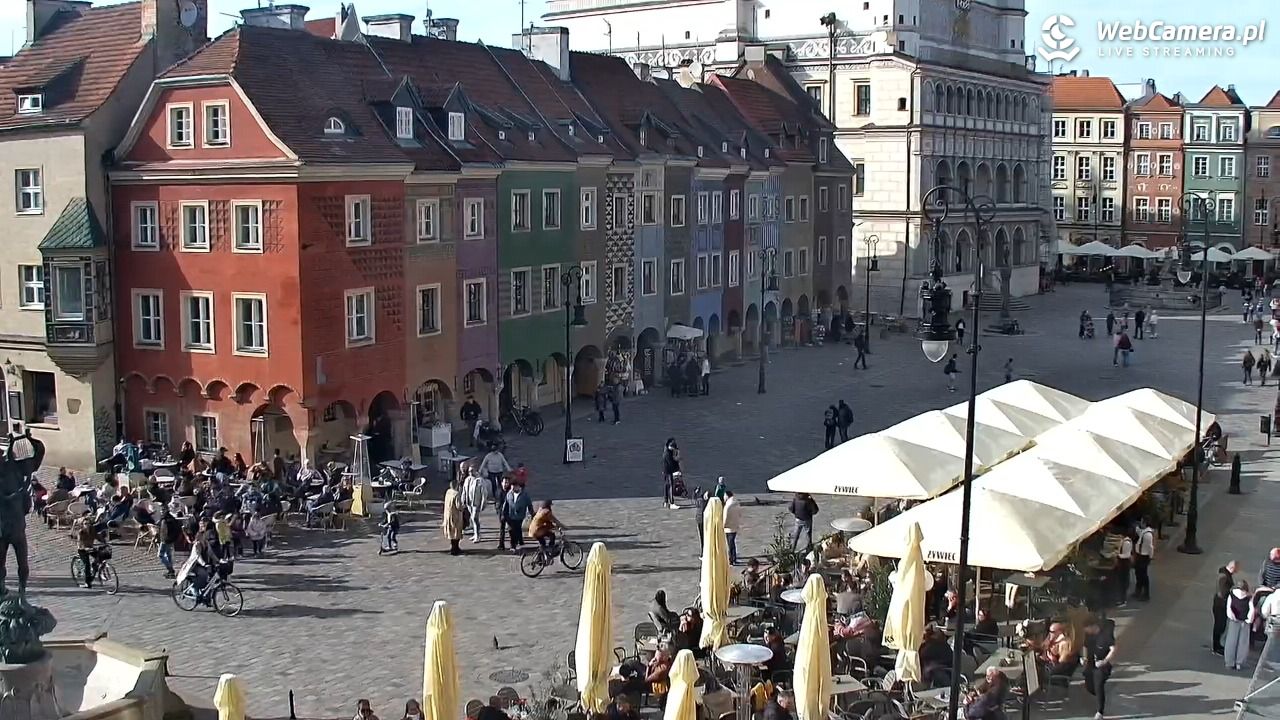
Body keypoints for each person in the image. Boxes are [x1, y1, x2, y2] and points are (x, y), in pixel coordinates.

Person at [1082, 615, 1117, 719]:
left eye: (1087, 629)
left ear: (1093, 626)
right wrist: (1084, 657)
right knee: (1089, 686)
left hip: (1102, 665)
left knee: (1098, 686)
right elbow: (1085, 646)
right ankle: (1098, 696)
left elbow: (1113, 649)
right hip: (1091, 664)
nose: (1087, 631)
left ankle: (1099, 711)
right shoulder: (1089, 635)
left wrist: (1105, 661)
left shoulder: (1105, 635)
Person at [1214, 560, 1238, 655]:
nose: (1236, 572)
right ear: (1232, 568)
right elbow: (1222, 592)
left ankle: (1217, 644)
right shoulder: (1224, 577)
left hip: (1220, 603)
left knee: (1220, 625)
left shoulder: (1224, 574)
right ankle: (1216, 646)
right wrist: (1231, 592)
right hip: (1220, 605)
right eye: (1235, 570)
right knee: (1220, 625)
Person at [503, 482, 534, 550]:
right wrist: (504, 514)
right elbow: (506, 504)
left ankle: (518, 541)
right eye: (512, 486)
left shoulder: (525, 496)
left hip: (520, 516)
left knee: (517, 529)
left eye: (514, 486)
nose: (513, 488)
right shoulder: (509, 494)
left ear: (519, 487)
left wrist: (532, 515)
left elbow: (529, 505)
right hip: (510, 516)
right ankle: (513, 545)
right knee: (511, 530)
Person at [462, 466, 489, 543]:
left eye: (472, 471)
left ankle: (478, 535)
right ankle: (475, 533)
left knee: (474, 518)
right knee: (472, 518)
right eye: (469, 471)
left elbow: (484, 493)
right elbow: (464, 490)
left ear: (475, 471)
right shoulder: (467, 479)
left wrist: (483, 503)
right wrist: (462, 500)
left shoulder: (480, 480)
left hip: (476, 503)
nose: (470, 472)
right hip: (469, 502)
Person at [1133, 517, 1155, 600]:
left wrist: (1150, 557)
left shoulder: (1148, 534)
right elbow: (1139, 532)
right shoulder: (1144, 532)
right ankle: (1138, 591)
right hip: (1139, 555)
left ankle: (1146, 594)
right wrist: (1136, 527)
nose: (1140, 523)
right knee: (1138, 574)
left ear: (1145, 523)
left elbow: (1150, 547)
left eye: (1141, 522)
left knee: (1143, 575)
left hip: (1144, 556)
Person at [441, 481, 464, 556]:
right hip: (455, 515)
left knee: (451, 531)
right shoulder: (456, 494)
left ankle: (453, 547)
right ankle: (455, 548)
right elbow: (458, 506)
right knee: (456, 532)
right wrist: (463, 507)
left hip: (448, 514)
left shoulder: (448, 492)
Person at [1114, 530, 1134, 606]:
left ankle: (1123, 600)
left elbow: (1127, 555)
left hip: (1124, 564)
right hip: (1123, 563)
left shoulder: (1126, 543)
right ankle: (1121, 598)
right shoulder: (1123, 541)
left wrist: (1117, 555)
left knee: (1123, 582)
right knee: (1121, 582)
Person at [723, 490, 741, 565]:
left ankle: (731, 559)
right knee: (732, 543)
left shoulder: (728, 505)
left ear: (727, 496)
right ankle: (734, 558)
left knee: (730, 544)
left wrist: (723, 525)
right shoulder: (736, 503)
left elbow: (725, 517)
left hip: (728, 527)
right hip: (735, 525)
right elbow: (740, 514)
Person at [662, 439, 681, 510]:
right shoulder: (667, 454)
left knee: (666, 486)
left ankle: (666, 502)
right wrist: (676, 471)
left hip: (665, 471)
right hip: (668, 471)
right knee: (670, 486)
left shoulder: (666, 451)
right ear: (671, 447)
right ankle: (671, 503)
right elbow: (671, 464)